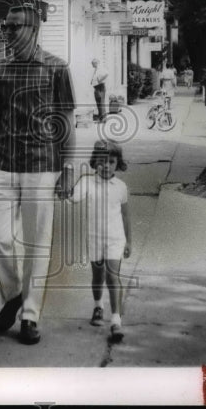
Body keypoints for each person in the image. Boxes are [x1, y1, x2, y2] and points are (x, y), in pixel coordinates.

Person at [0, 3, 76, 345]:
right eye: (6, 27)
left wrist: (68, 168)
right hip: (4, 163)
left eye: (15, 27)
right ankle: (15, 293)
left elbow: (67, 123)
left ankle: (30, 316)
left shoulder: (57, 69)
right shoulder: (1, 71)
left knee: (37, 243)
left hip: (42, 166)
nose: (8, 32)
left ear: (33, 30)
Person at [67, 139, 132, 344]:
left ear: (117, 164)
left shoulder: (121, 187)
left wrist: (129, 241)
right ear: (95, 162)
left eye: (111, 162)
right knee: (98, 277)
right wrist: (64, 185)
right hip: (95, 238)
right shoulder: (87, 182)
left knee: (113, 277)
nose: (107, 166)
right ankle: (98, 305)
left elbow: (126, 216)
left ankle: (116, 320)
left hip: (115, 239)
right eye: (102, 161)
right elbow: (73, 197)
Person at [90, 58, 108, 122]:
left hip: (100, 87)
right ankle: (101, 118)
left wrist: (100, 80)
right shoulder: (96, 69)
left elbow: (106, 74)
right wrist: (92, 81)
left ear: (95, 63)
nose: (92, 65)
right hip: (96, 87)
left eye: (92, 64)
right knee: (98, 103)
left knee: (101, 102)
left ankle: (103, 119)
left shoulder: (100, 68)